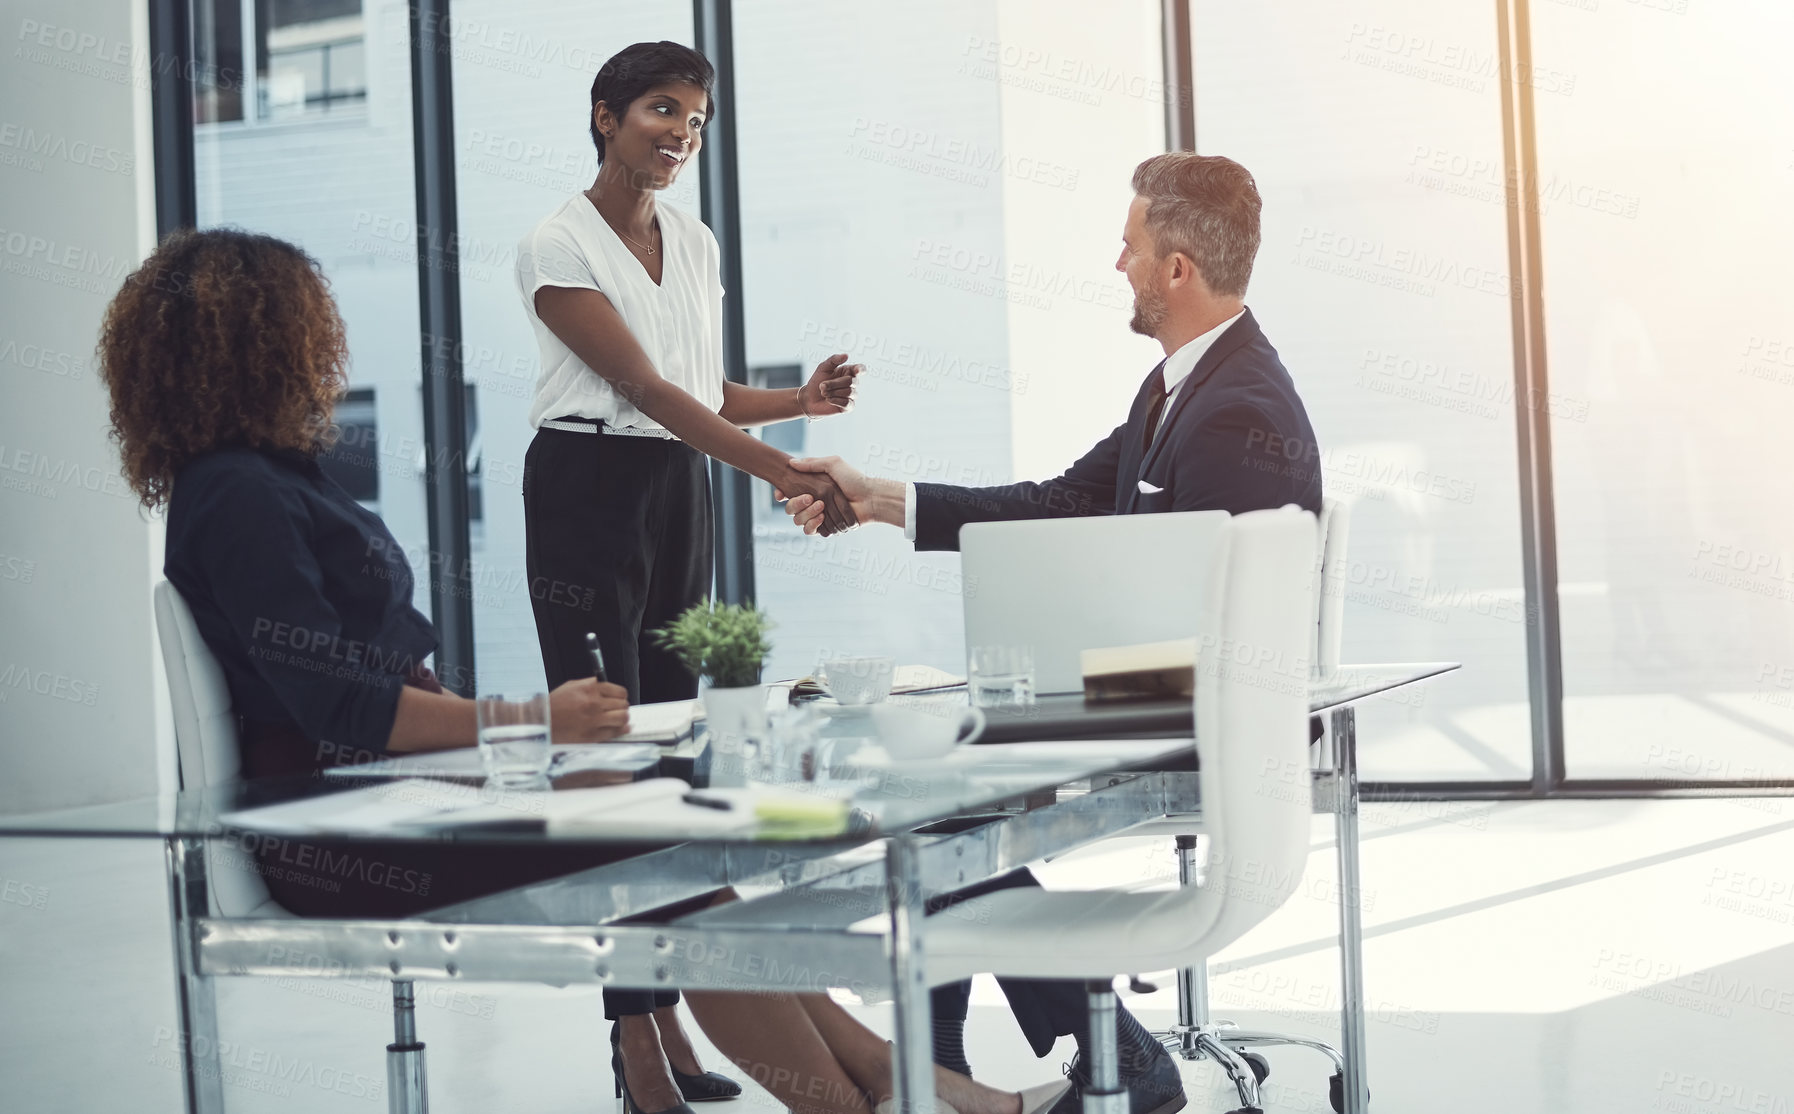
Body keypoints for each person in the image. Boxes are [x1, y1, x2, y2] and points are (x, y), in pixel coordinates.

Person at [103, 226, 1072, 1114]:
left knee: (672, 853)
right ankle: (892, 1097)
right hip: (337, 831)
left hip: (390, 795)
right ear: (268, 346)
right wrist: (535, 720)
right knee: (663, 860)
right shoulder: (235, 496)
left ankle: (901, 1088)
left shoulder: (263, 481)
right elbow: (338, 701)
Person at [782, 153, 1323, 1114]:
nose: (1117, 262)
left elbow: (1207, 636)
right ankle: (977, 1065)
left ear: (1178, 269)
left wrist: (1046, 689)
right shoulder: (1180, 386)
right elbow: (1064, 502)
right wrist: (877, 502)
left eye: (1130, 245)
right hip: (1165, 693)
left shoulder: (1238, 408)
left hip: (1203, 723)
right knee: (936, 781)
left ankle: (1045, 1060)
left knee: (933, 788)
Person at [518, 39, 861, 715]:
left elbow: (704, 393)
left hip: (680, 478)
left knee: (675, 699)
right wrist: (783, 472)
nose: (683, 132)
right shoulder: (556, 243)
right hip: (587, 476)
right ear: (607, 119)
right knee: (605, 705)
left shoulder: (696, 241)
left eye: (698, 121)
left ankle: (673, 823)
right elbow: (644, 389)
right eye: (664, 110)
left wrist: (801, 401)